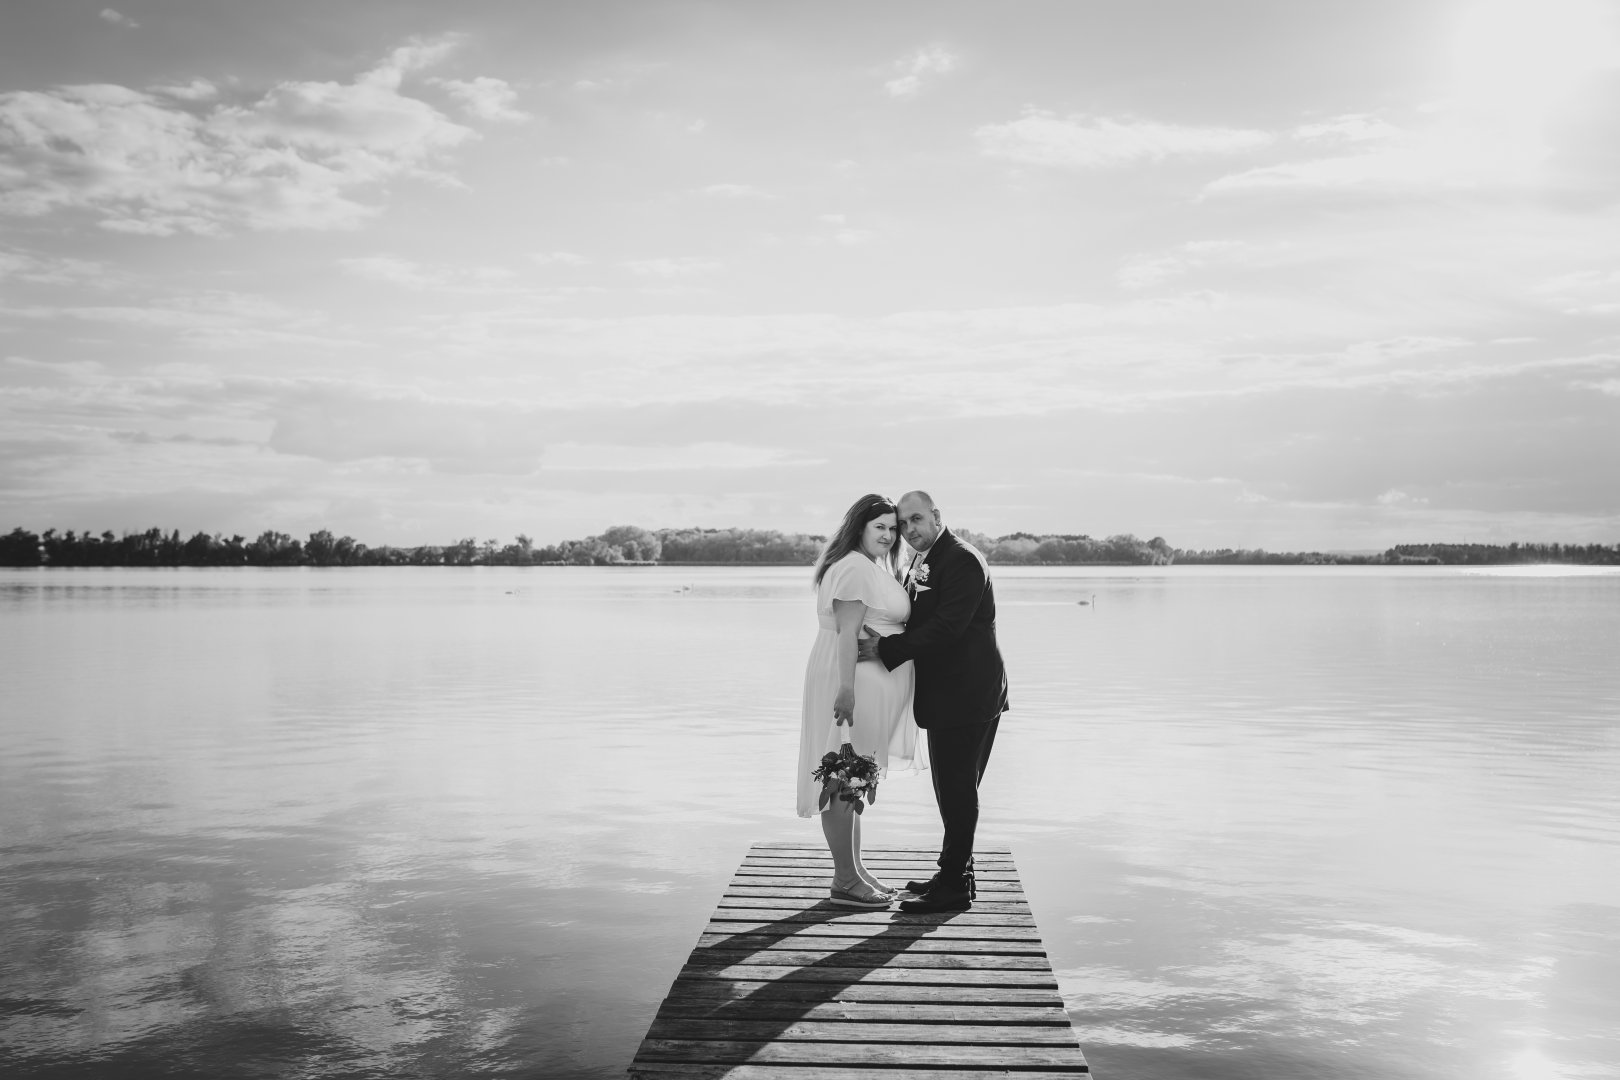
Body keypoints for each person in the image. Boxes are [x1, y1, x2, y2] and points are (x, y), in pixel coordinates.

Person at [858, 490, 1008, 914]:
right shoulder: (925, 560)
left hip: (968, 693)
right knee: (951, 789)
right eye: (903, 524)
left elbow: (947, 627)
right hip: (950, 694)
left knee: (957, 790)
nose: (909, 530)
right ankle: (955, 874)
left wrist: (885, 649)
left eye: (916, 519)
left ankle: (953, 887)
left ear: (936, 516)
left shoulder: (962, 559)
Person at [798, 493, 926, 908]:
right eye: (880, 527)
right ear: (859, 528)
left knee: (855, 778)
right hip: (853, 684)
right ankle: (844, 880)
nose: (888, 535)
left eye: (893, 528)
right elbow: (847, 634)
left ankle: (854, 870)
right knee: (843, 778)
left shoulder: (865, 565)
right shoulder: (854, 567)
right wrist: (847, 690)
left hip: (868, 684)